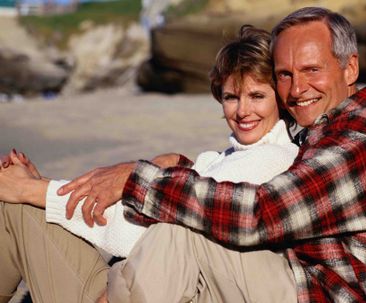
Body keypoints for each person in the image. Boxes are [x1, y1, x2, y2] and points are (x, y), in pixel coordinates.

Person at [54, 6, 366, 303]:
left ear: (350, 68)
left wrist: (138, 178)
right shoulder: (324, 127)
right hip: (300, 279)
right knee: (186, 229)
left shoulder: (358, 144)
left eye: (311, 70)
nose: (298, 88)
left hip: (330, 294)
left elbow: (259, 213)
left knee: (186, 229)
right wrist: (180, 166)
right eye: (285, 75)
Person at [0, 25, 300, 302]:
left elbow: (138, 237)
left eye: (257, 96)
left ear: (281, 100)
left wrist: (33, 190)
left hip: (126, 293)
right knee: (23, 207)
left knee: (16, 207)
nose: (243, 110)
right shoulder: (222, 159)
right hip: (127, 284)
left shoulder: (272, 159)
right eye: (232, 97)